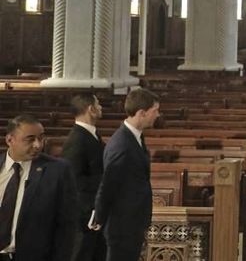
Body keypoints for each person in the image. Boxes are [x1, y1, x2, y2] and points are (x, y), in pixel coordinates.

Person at [92, 87, 161, 261]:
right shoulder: (122, 145)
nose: (158, 115)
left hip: (131, 223)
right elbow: (108, 184)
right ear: (142, 113)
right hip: (122, 226)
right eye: (155, 111)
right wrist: (98, 216)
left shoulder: (135, 137)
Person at [1, 115, 77, 260]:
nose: (38, 145)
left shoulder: (58, 171)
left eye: (41, 138)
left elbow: (67, 226)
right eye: (30, 139)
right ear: (10, 140)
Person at [63, 93, 106, 261]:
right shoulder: (77, 139)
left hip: (95, 212)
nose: (101, 107)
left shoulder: (91, 134)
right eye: (98, 103)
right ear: (91, 109)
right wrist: (90, 213)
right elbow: (73, 180)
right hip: (85, 218)